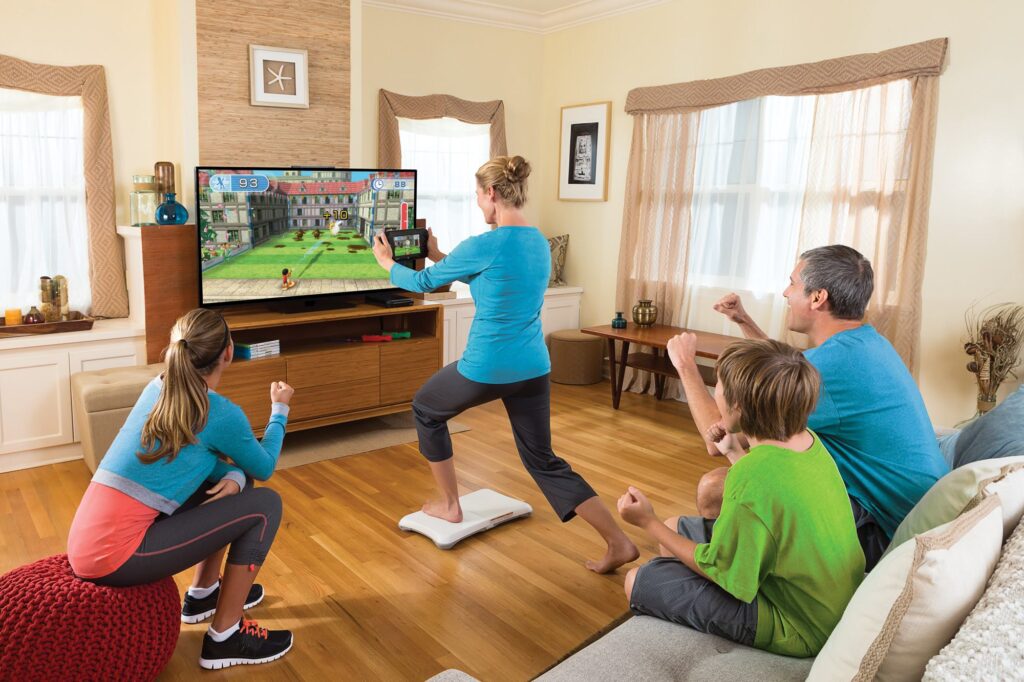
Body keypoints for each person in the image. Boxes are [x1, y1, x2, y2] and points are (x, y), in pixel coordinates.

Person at [371, 155, 638, 573]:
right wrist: (438, 253)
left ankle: (450, 505)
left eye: (478, 195)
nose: (478, 203)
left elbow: (424, 283)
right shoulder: (539, 243)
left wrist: (387, 263)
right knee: (543, 459)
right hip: (534, 368)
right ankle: (618, 542)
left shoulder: (483, 244)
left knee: (425, 408)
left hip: (488, 367)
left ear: (492, 193)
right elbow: (490, 277)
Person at [668, 245, 948, 570]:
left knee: (714, 489)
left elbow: (718, 435)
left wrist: (685, 365)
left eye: (793, 283)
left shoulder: (829, 369)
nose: (786, 293)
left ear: (817, 298)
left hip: (884, 531)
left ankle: (740, 567)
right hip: (904, 510)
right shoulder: (865, 343)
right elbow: (787, 367)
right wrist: (744, 320)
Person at [66, 308, 295, 670]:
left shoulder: (157, 388)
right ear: (228, 352)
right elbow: (265, 466)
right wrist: (279, 411)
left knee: (235, 482)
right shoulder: (219, 413)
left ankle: (203, 594)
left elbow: (189, 457)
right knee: (266, 506)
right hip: (116, 556)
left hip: (89, 545)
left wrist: (235, 477)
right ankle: (225, 637)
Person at [619, 339, 864, 658]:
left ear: (738, 407)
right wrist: (734, 451)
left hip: (799, 625)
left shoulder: (750, 476)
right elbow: (770, 496)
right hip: (822, 596)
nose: (715, 394)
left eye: (718, 387)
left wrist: (647, 522)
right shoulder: (808, 441)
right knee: (674, 526)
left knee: (637, 579)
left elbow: (723, 571)